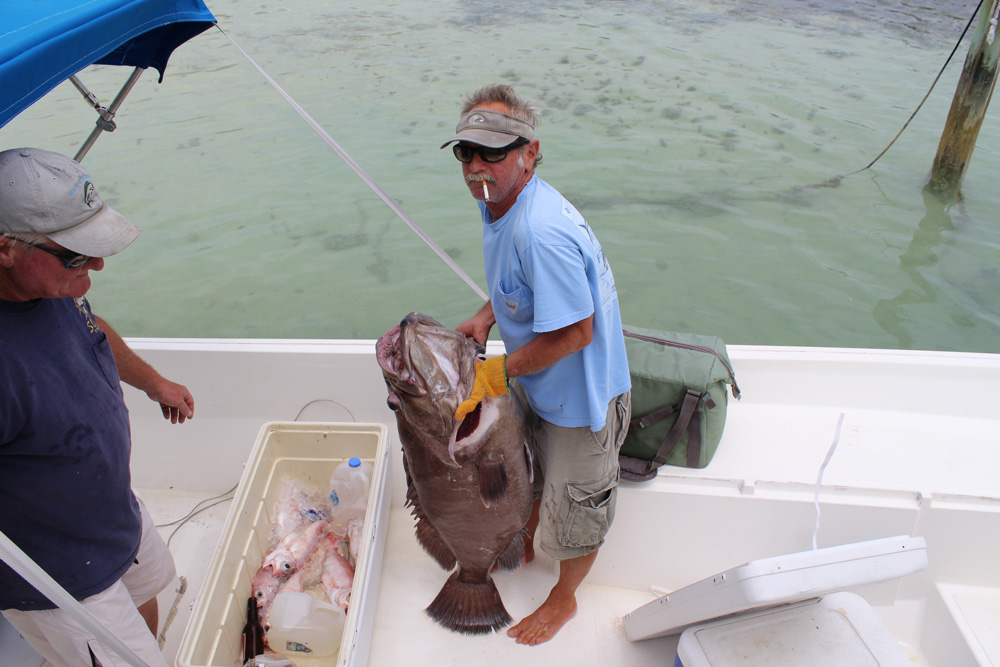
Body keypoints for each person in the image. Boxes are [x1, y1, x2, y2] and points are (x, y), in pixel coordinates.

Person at [444, 85, 632, 645]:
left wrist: (497, 373)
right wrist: (486, 315)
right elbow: (519, 284)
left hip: (581, 398)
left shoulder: (540, 229)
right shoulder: (497, 202)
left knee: (578, 508)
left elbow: (577, 331)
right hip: (540, 379)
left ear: (530, 152)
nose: (478, 165)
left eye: (494, 152)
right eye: (466, 152)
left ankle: (564, 596)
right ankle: (524, 532)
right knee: (529, 470)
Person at [0, 148, 195, 667]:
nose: (98, 265)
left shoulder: (52, 289)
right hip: (61, 572)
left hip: (113, 511)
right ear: (4, 249)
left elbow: (92, 326)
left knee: (148, 591)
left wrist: (152, 381)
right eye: (75, 254)